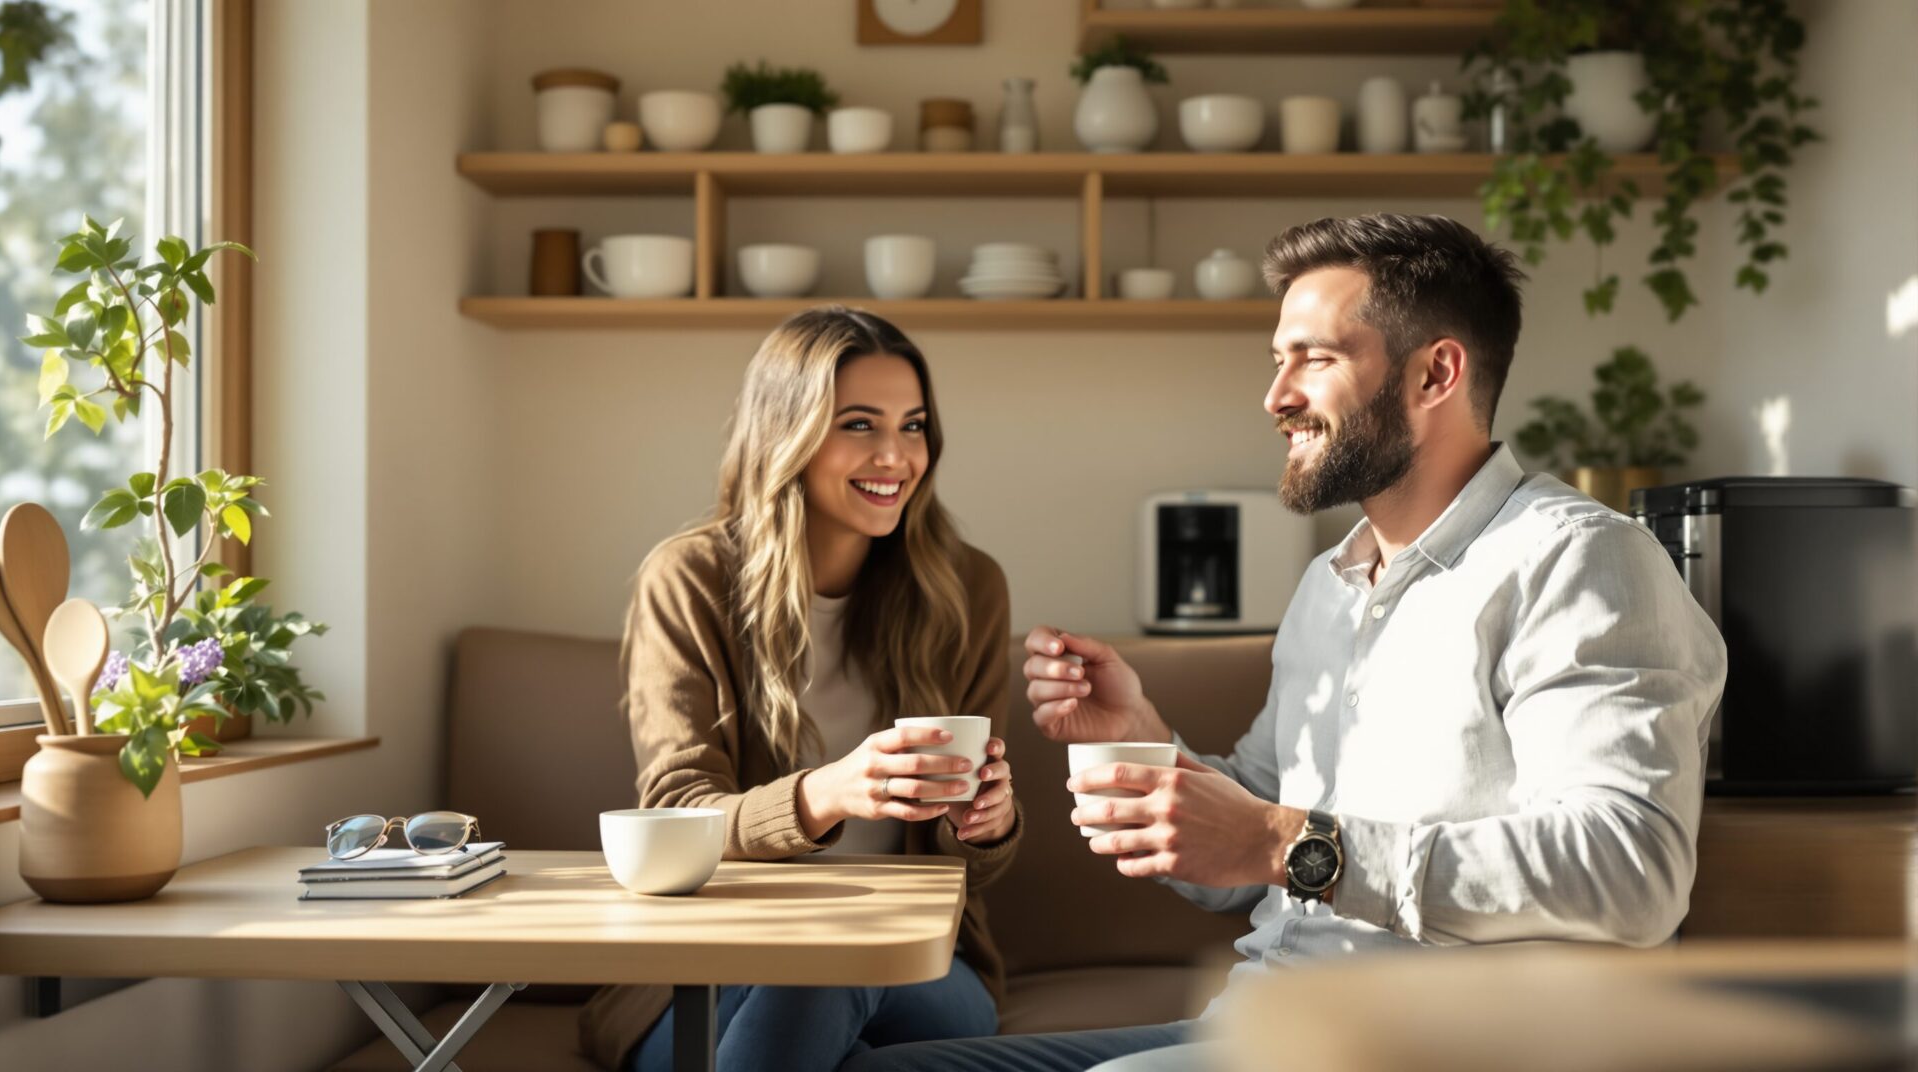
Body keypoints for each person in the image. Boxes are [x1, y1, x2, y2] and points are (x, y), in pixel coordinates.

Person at [842, 213, 1728, 1072]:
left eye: (1316, 358)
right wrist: (1138, 735)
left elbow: (1630, 872)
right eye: (1278, 361)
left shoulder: (1579, 562)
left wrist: (1286, 842)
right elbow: (1249, 842)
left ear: (1436, 374)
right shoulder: (1330, 585)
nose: (1277, 397)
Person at [578, 307, 1023, 1072]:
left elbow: (972, 868)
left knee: (829, 962)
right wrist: (829, 794)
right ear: (787, 434)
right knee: (820, 999)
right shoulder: (688, 580)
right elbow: (678, 813)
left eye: (912, 426)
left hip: (918, 968)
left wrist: (986, 822)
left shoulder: (967, 587)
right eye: (859, 424)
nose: (895, 455)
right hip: (714, 966)